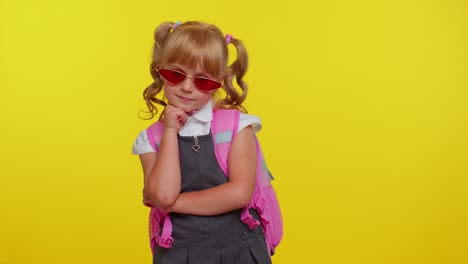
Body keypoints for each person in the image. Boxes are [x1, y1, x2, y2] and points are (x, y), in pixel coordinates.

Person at [132, 21, 272, 264]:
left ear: (219, 82)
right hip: (178, 253)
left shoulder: (237, 127)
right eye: (175, 75)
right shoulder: (151, 138)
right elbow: (163, 195)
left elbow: (239, 194)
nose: (187, 87)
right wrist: (170, 131)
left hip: (240, 250)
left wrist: (172, 204)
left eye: (203, 81)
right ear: (159, 71)